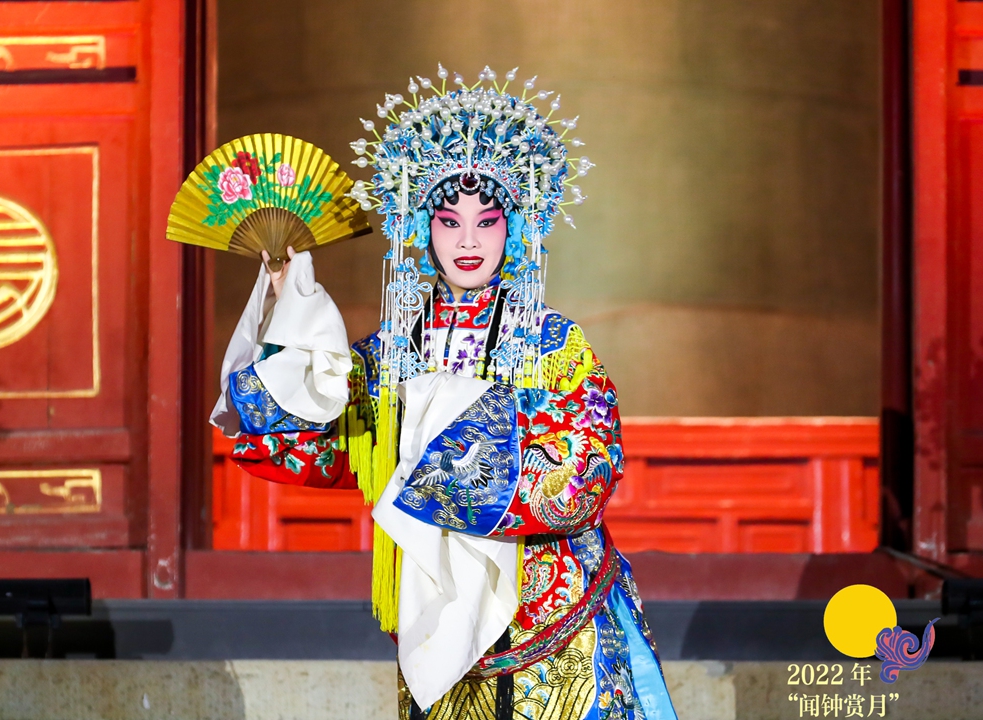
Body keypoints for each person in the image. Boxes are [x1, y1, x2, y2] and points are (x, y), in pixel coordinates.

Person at [211, 65, 678, 720]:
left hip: (556, 623)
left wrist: (432, 451)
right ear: (419, 227)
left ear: (516, 228)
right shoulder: (392, 350)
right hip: (435, 622)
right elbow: (312, 439)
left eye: (487, 221)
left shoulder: (554, 345)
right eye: (449, 220)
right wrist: (292, 313)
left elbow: (586, 472)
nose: (467, 241)